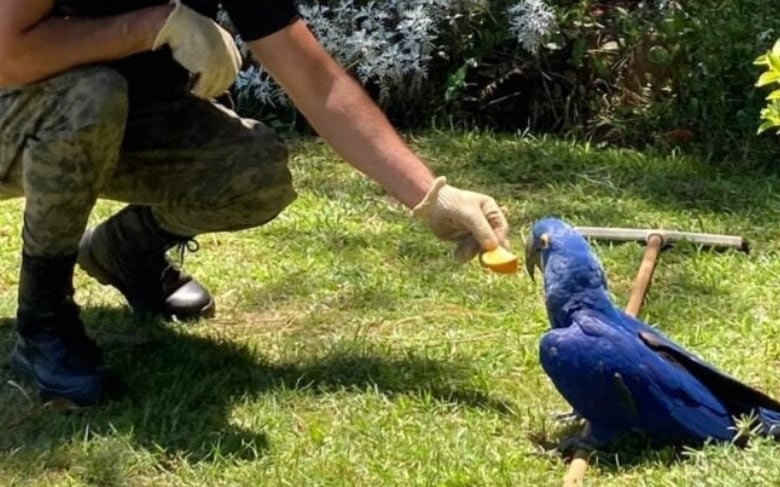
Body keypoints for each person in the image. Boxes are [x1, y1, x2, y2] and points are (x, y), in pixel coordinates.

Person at [0, 1, 511, 406]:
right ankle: (44, 318)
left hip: (108, 120)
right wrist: (156, 23)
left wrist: (430, 195)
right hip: (17, 109)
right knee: (92, 93)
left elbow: (315, 80)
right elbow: (10, 52)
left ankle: (124, 251)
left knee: (254, 170)